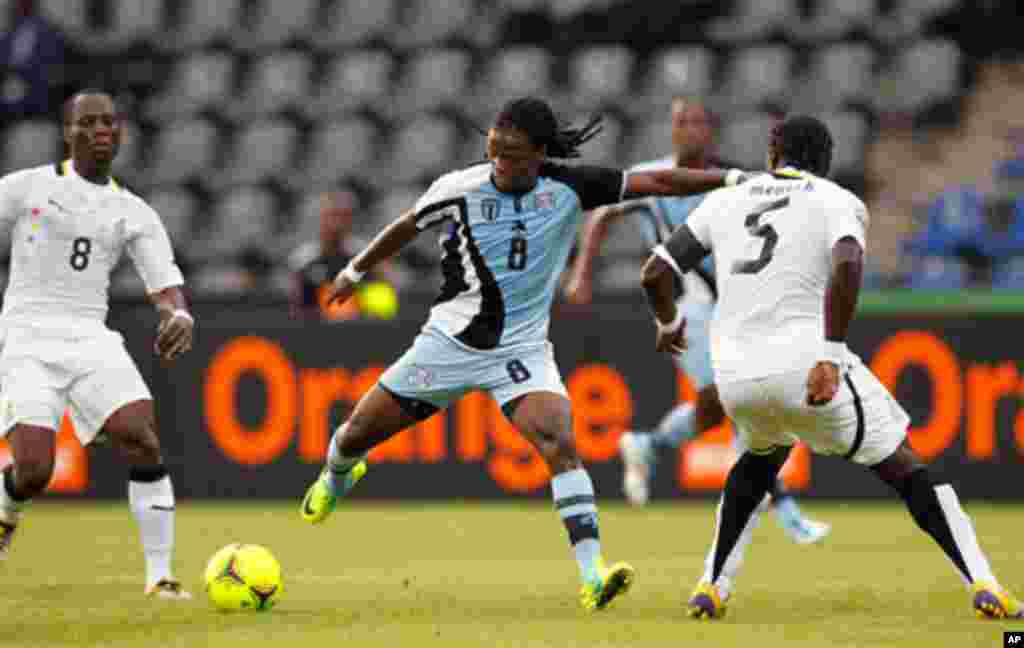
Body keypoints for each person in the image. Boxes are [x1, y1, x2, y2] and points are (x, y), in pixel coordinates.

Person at [299, 96, 746, 611]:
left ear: (539, 154)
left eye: (512, 155)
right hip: (448, 344)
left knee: (560, 441)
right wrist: (354, 271)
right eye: (494, 152)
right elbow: (406, 225)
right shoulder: (460, 188)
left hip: (522, 350)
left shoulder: (570, 187)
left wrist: (734, 179)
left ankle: (593, 575)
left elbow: (661, 182)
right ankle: (337, 475)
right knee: (354, 434)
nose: (500, 164)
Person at [641, 114, 1022, 620]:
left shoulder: (725, 199)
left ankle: (711, 586)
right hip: (805, 364)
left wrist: (669, 324)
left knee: (758, 462)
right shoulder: (836, 199)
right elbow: (847, 263)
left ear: (772, 156)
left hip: (735, 376)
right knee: (905, 466)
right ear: (825, 162)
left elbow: (655, 272)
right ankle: (984, 582)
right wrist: (832, 355)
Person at [565, 97, 829, 544]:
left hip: (735, 306)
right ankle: (786, 511)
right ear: (671, 130)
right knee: (737, 396)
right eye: (680, 122)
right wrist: (582, 271)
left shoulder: (732, 180)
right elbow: (603, 214)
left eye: (697, 122)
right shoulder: (654, 178)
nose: (688, 129)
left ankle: (648, 446)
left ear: (711, 130)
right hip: (684, 307)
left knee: (716, 407)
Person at [0, 90, 194, 599]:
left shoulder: (133, 210)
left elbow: (165, 284)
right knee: (35, 471)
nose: (101, 130)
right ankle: (6, 510)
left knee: (141, 435)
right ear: (67, 133)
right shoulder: (28, 187)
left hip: (89, 335)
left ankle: (161, 577)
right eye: (88, 122)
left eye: (109, 121)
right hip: (28, 337)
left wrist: (178, 314)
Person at [289, 190, 399, 320]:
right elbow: (296, 310)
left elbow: (385, 304)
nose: (337, 223)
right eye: (332, 215)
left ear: (352, 220)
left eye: (344, 216)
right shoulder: (303, 260)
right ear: (321, 219)